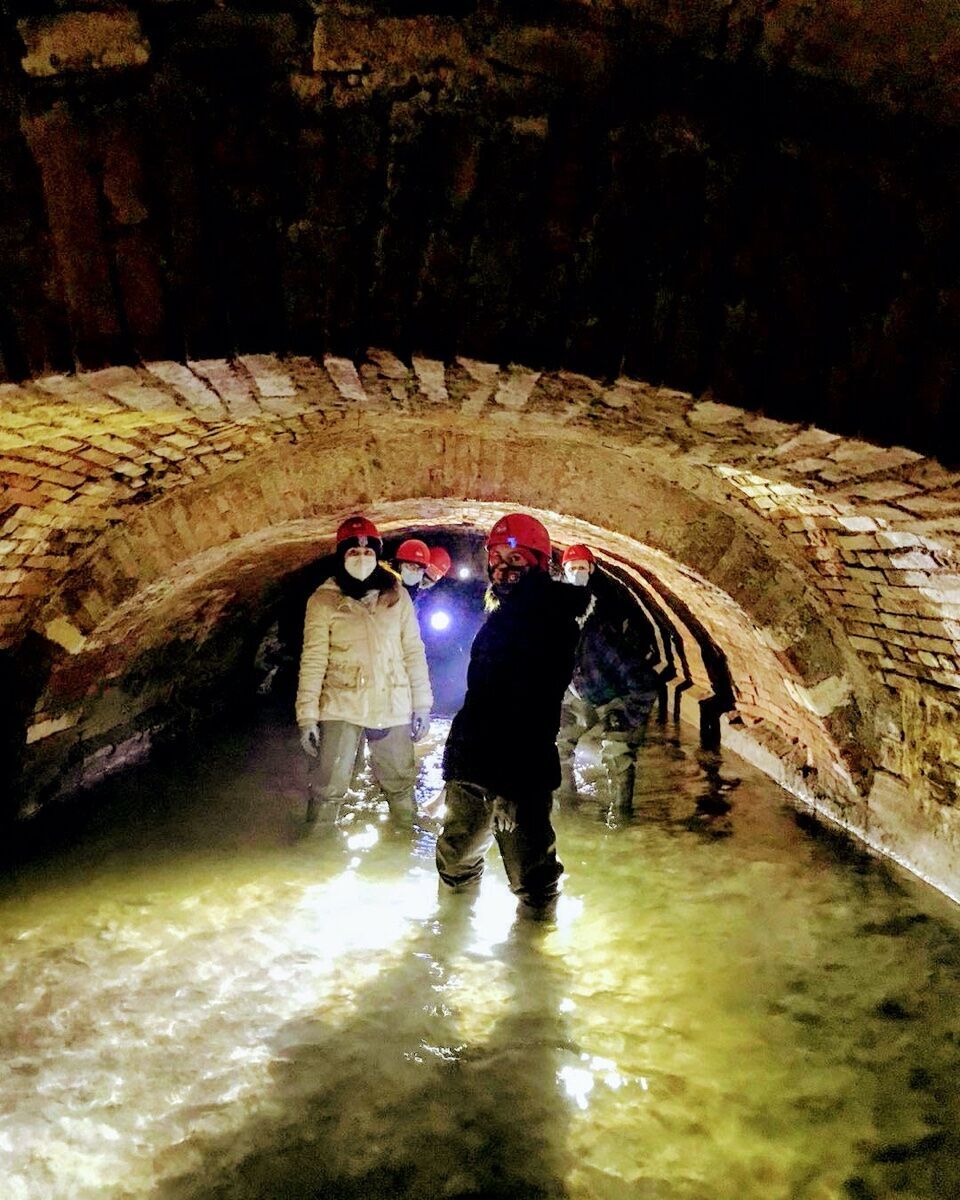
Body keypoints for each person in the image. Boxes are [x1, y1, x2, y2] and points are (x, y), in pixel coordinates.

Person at [435, 513, 594, 916]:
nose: (503, 570)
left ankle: (533, 959)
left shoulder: (550, 620)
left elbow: (535, 708)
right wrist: (455, 770)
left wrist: (510, 788)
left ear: (540, 564)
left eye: (517, 561)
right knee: (457, 857)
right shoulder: (506, 612)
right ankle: (450, 934)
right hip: (472, 758)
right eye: (497, 560)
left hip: (518, 770)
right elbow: (484, 696)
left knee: (531, 873)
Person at [296, 515, 433, 825]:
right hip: (342, 702)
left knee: (400, 783)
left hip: (392, 702)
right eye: (353, 553)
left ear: (378, 554)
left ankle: (404, 839)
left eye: (368, 552)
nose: (362, 558)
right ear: (341, 556)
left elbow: (413, 651)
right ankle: (315, 850)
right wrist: (307, 716)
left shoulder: (396, 594)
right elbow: (314, 660)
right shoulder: (323, 600)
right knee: (328, 787)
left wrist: (422, 705)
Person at [556, 543, 659, 809]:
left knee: (617, 754)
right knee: (556, 746)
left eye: (582, 567)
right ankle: (568, 809)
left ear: (591, 569)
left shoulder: (604, 623)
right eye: (572, 568)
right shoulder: (556, 613)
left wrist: (624, 720)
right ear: (563, 570)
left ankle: (619, 818)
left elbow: (644, 684)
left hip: (617, 695)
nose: (577, 572)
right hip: (580, 692)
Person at [392, 537, 432, 602]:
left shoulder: (414, 592)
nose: (415, 571)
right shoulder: (384, 584)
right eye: (411, 566)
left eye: (419, 568)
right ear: (399, 564)